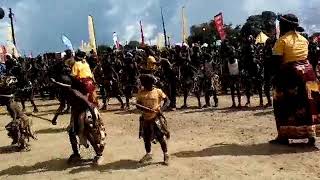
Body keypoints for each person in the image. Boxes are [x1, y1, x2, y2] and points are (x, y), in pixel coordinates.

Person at [270, 14, 320, 145]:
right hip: (309, 75)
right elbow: (306, 57)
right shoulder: (304, 40)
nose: (279, 26)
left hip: (291, 76)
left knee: (283, 104)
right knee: (308, 105)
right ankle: (311, 135)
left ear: (285, 25)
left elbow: (276, 62)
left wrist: (275, 78)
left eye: (281, 24)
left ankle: (284, 136)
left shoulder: (281, 41)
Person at [136, 74, 170, 166]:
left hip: (156, 119)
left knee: (160, 137)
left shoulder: (158, 91)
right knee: (146, 138)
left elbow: (167, 101)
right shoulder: (141, 92)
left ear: (149, 83)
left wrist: (161, 110)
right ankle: (148, 154)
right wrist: (144, 109)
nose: (143, 85)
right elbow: (137, 104)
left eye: (144, 83)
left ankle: (166, 155)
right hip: (145, 119)